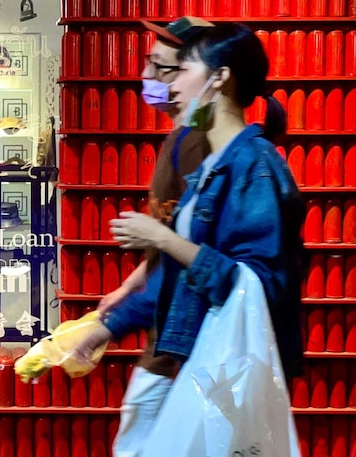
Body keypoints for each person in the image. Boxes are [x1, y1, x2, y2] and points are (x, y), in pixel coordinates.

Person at [79, 23, 306, 453]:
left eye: (181, 70)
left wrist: (162, 239)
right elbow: (179, 279)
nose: (168, 84)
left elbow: (255, 285)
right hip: (201, 363)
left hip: (224, 371)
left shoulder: (254, 168)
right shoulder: (213, 168)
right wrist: (105, 329)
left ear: (219, 78)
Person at [94, 17, 214, 453]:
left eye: (162, 68)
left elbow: (197, 250)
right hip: (167, 330)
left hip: (181, 341)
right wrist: (130, 285)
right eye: (149, 63)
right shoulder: (179, 140)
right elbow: (174, 235)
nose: (145, 77)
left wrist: (110, 326)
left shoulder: (201, 145)